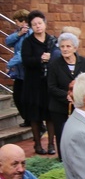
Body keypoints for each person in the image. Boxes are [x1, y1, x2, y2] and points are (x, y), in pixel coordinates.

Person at [47, 31, 85, 160]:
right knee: (62, 134)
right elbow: (51, 87)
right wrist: (66, 95)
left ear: (75, 48)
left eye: (68, 46)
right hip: (59, 107)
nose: (65, 49)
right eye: (62, 46)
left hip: (79, 106)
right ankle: (63, 160)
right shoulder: (54, 64)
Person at [21, 10, 58, 156]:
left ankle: (50, 144)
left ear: (44, 23)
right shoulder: (28, 42)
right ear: (31, 26)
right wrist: (40, 59)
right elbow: (26, 61)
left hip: (48, 82)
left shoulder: (52, 40)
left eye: (40, 23)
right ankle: (37, 144)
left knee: (50, 115)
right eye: (34, 24)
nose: (38, 26)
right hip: (33, 84)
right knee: (35, 116)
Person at [6, 9, 30, 126]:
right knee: (17, 96)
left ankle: (31, 120)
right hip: (20, 73)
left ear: (23, 21)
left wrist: (9, 64)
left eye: (17, 21)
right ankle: (27, 118)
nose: (16, 23)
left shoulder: (29, 34)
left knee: (25, 97)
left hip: (27, 71)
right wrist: (18, 34)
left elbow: (22, 53)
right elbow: (8, 41)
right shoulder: (20, 33)